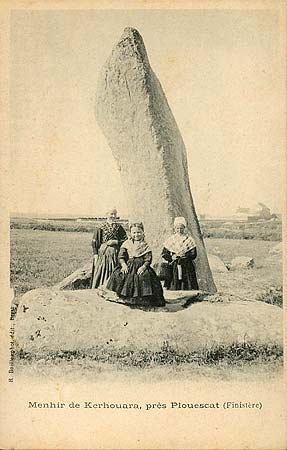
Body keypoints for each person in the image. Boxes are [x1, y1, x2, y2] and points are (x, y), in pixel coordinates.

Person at [106, 222, 165, 307]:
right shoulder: (127, 243)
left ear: (142, 233)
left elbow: (148, 259)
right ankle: (126, 297)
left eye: (139, 232)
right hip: (129, 265)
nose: (136, 235)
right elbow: (121, 256)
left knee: (144, 277)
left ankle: (141, 299)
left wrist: (144, 267)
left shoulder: (145, 245)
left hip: (141, 265)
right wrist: (123, 265)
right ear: (131, 233)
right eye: (134, 232)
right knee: (121, 275)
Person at [91, 208, 127, 289]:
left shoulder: (119, 227)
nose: (113, 216)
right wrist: (95, 255)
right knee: (102, 271)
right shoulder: (100, 227)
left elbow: (125, 240)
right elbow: (95, 242)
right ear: (106, 214)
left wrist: (116, 242)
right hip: (103, 254)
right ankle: (100, 286)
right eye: (111, 214)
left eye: (115, 214)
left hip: (115, 254)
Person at [161, 216, 199, 290]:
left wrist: (185, 255)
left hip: (186, 264)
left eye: (181, 228)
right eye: (177, 228)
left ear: (184, 228)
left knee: (187, 281)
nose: (179, 230)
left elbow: (193, 254)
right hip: (174, 265)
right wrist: (172, 257)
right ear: (174, 229)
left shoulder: (189, 240)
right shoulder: (171, 239)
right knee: (174, 280)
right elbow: (164, 253)